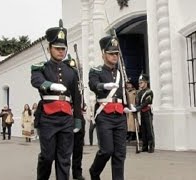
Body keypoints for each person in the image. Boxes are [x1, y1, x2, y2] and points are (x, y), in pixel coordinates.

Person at [31, 20, 83, 180]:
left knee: (64, 158)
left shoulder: (71, 71)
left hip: (66, 119)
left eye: (63, 49)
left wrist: (78, 120)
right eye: (57, 48)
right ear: (49, 48)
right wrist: (51, 85)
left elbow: (76, 96)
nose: (61, 52)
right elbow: (36, 81)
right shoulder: (41, 68)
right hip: (47, 118)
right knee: (47, 157)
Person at [88, 35, 128, 180]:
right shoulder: (96, 71)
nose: (114, 56)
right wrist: (103, 86)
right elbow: (93, 84)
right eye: (111, 53)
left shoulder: (119, 73)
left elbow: (123, 91)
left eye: (116, 53)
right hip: (104, 114)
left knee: (120, 154)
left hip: (120, 114)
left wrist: (127, 106)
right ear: (103, 54)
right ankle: (94, 171)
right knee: (106, 151)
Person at [130, 74, 154, 153]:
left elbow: (146, 103)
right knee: (143, 130)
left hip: (147, 112)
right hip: (141, 114)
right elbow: (137, 102)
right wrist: (134, 108)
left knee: (149, 129)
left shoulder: (149, 92)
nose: (140, 84)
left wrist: (137, 108)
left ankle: (151, 146)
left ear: (146, 82)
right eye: (139, 82)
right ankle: (144, 146)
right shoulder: (139, 92)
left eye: (141, 82)